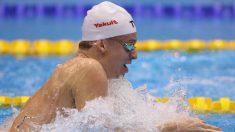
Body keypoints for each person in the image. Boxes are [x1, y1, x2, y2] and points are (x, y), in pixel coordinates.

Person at [10, 1, 221, 131]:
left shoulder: (78, 70)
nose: (135, 54)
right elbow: (101, 130)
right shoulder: (89, 68)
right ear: (102, 44)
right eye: (129, 45)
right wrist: (172, 127)